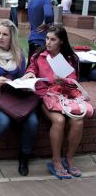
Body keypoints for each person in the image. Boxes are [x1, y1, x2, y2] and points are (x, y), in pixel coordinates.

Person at [0, 19, 38, 178]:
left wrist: (26, 80)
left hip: (11, 97)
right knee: (3, 121)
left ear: (12, 37)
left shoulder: (19, 55)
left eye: (5, 34)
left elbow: (18, 80)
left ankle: (24, 156)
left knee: (32, 121)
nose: (0, 37)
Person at [23, 26, 82, 179]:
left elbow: (75, 82)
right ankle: (56, 161)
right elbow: (31, 69)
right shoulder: (39, 56)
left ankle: (69, 158)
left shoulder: (70, 58)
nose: (48, 42)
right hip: (47, 97)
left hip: (67, 97)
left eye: (53, 39)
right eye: (47, 38)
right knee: (59, 120)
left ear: (61, 41)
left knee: (78, 122)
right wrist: (29, 74)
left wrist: (64, 80)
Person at [27, 0, 60, 64]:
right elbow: (49, 14)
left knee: (31, 65)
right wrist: (46, 23)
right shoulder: (46, 0)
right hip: (42, 41)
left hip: (32, 38)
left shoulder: (32, 0)